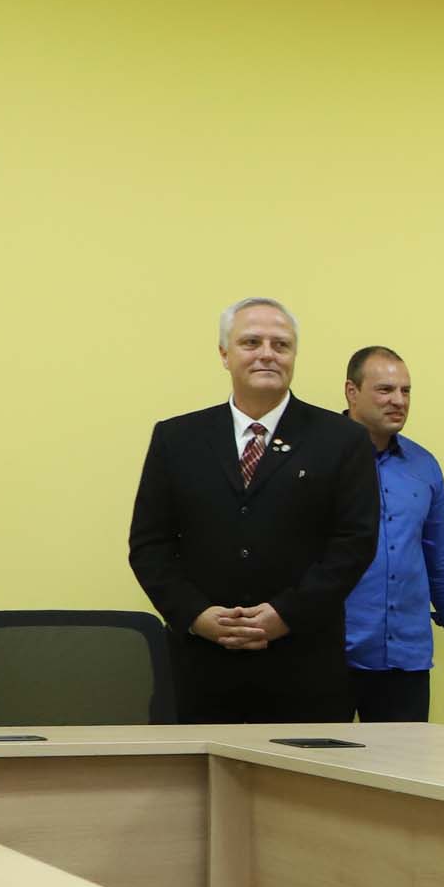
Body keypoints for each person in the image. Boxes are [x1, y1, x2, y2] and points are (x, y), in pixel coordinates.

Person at [128, 297, 379, 723]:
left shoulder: (342, 439)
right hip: (199, 668)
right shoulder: (177, 439)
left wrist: (287, 614)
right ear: (224, 354)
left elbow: (354, 544)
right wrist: (196, 615)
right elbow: (149, 545)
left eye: (281, 344)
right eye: (251, 342)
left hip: (303, 668)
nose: (267, 354)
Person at [337, 345, 444, 721]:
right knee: (313, 759)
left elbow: (443, 557)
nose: (399, 401)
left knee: (402, 759)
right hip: (329, 656)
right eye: (385, 390)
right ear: (352, 392)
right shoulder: (317, 458)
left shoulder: (423, 466)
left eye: (406, 391)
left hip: (404, 659)